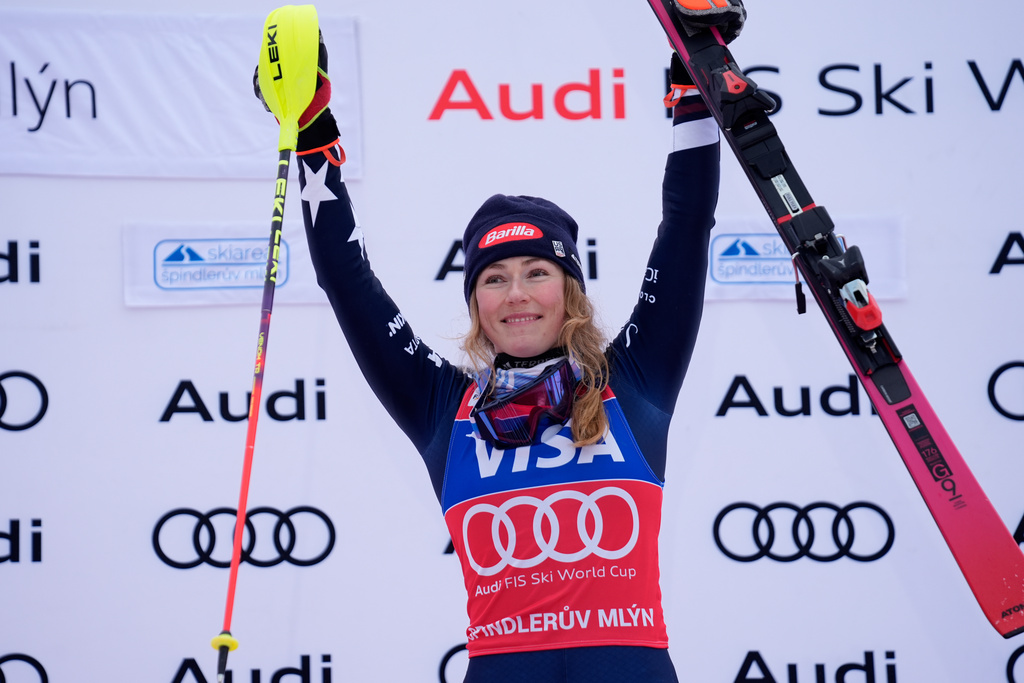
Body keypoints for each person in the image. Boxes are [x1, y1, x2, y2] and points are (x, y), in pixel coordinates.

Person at [257, 3, 743, 680]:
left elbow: (686, 226)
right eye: (493, 278)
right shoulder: (441, 407)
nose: (516, 293)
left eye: (536, 272)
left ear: (569, 290)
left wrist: (694, 90)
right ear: (476, 306)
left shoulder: (632, 380)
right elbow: (347, 280)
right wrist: (313, 134)